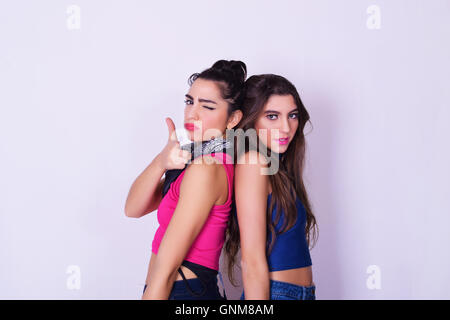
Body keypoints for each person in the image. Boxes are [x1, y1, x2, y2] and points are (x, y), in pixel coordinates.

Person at [125, 60, 246, 299]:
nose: (192, 113)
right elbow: (133, 208)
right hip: (174, 290)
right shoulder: (194, 160)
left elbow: (166, 271)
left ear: (232, 120)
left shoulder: (206, 168)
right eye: (190, 101)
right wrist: (161, 161)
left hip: (181, 291)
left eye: (208, 106)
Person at [224, 74, 319, 300]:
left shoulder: (276, 167)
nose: (286, 127)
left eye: (292, 115)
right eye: (272, 116)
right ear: (251, 119)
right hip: (278, 294)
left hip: (299, 294)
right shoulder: (253, 162)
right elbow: (252, 260)